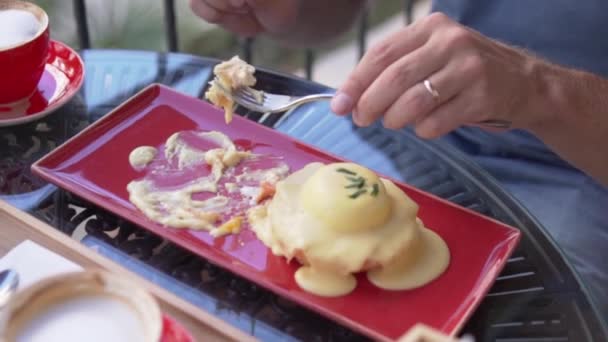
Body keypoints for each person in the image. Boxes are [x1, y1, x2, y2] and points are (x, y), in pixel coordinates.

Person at [189, 0, 608, 319]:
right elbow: (333, 15)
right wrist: (284, 9)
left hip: (575, 173)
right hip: (409, 122)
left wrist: (542, 91)